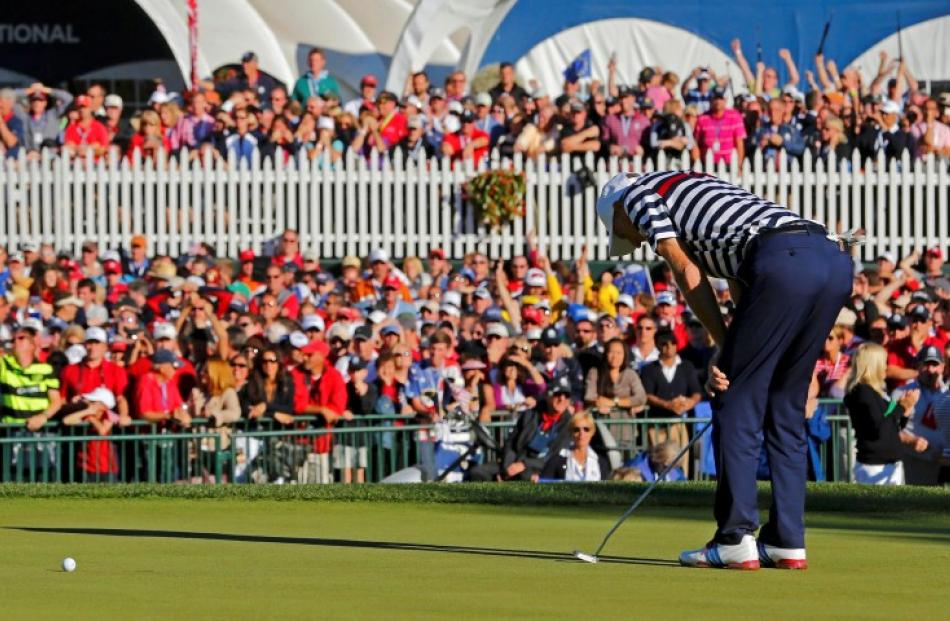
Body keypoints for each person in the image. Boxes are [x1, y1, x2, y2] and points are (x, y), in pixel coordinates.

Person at [597, 169, 853, 570]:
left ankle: (734, 537)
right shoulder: (695, 186)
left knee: (732, 396)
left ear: (616, 208)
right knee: (784, 404)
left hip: (784, 261)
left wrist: (724, 347)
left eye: (623, 232)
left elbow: (686, 270)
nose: (634, 241)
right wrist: (737, 342)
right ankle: (787, 540)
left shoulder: (636, 194)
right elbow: (744, 281)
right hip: (832, 262)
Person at [844, 343, 923, 485]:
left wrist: (905, 409)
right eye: (883, 362)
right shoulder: (862, 392)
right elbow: (879, 427)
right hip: (874, 465)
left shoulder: (878, 392)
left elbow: (894, 427)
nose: (886, 367)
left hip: (891, 463)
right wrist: (901, 407)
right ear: (873, 365)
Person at [469, 377, 574, 482]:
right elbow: (511, 443)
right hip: (514, 461)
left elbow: (554, 456)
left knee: (524, 477)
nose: (562, 399)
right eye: (557, 394)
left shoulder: (570, 424)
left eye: (566, 396)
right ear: (548, 395)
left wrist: (524, 464)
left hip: (541, 467)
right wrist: (508, 466)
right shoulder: (530, 414)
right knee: (478, 472)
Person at [891, 346, 947, 485]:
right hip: (913, 460)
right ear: (917, 365)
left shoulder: (947, 393)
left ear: (943, 367)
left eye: (935, 365)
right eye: (926, 364)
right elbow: (888, 428)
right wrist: (911, 441)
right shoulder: (900, 392)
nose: (930, 370)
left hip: (943, 463)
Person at [540, 411, 610, 481]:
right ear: (571, 433)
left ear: (592, 432)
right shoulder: (557, 460)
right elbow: (544, 484)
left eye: (586, 429)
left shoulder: (601, 462)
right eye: (576, 430)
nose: (581, 434)